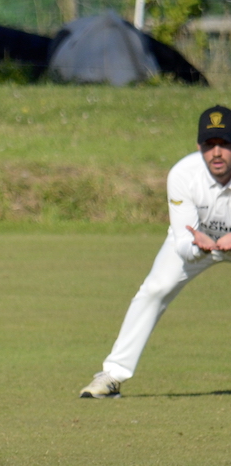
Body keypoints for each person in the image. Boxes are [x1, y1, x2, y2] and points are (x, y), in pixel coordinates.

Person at [81, 105, 231, 398]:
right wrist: (198, 247)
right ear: (198, 146)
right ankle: (112, 375)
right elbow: (183, 244)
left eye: (225, 144)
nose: (216, 153)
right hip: (198, 244)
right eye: (209, 145)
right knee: (154, 289)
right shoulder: (182, 174)